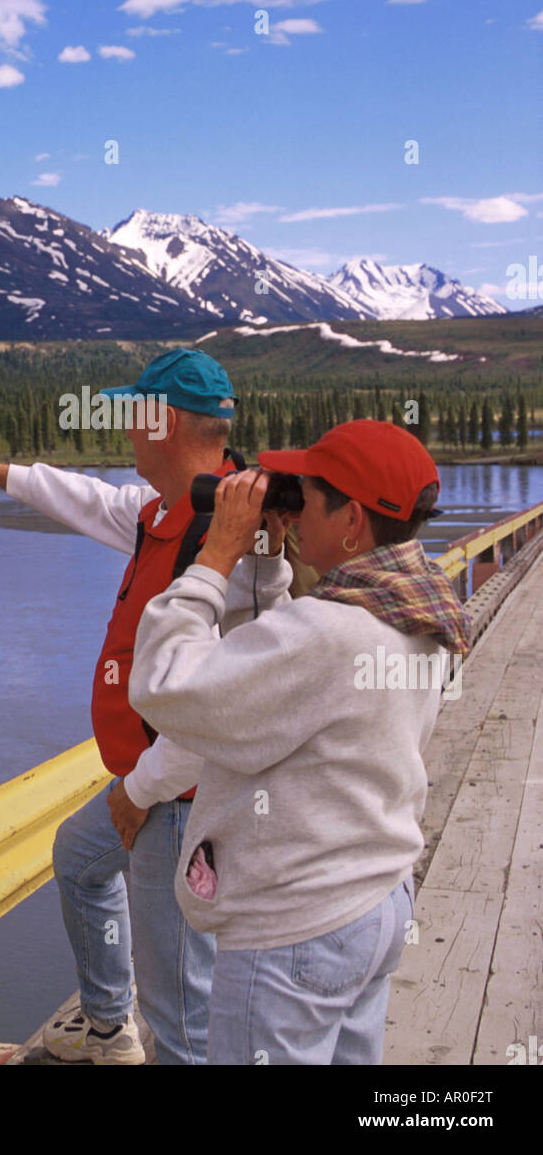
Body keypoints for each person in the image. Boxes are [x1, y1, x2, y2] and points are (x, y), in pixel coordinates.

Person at [0, 348, 315, 1065]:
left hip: (183, 796)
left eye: (133, 412)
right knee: (78, 854)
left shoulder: (230, 539)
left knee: (182, 1012)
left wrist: (140, 791)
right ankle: (106, 1024)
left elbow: (229, 706)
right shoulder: (168, 511)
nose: (124, 427)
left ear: (160, 421)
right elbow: (86, 498)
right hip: (150, 782)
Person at [128, 418, 470, 1065]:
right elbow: (280, 675)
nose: (292, 509)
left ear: (351, 520)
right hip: (372, 900)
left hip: (295, 928)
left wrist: (214, 558)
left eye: (305, 496)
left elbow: (166, 687)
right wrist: (265, 562)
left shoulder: (332, 631)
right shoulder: (414, 607)